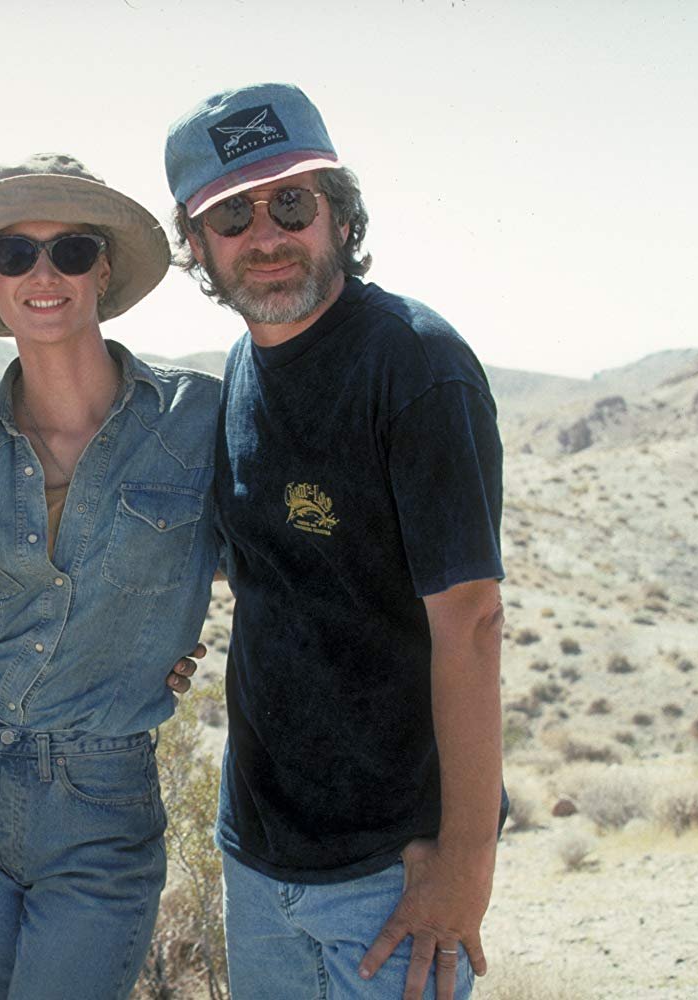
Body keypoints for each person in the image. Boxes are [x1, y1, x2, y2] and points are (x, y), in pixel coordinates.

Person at [163, 83, 507, 1000]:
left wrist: (466, 861)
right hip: (258, 852)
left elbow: (471, 623)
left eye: (291, 203)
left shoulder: (413, 366)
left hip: (388, 874)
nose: (266, 235)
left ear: (338, 215)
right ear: (194, 247)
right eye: (230, 215)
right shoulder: (243, 364)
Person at [0, 153, 222, 1000]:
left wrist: (172, 646)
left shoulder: (200, 422)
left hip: (101, 798)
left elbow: (290, 576)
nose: (43, 274)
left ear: (104, 268)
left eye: (70, 250)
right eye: (14, 253)